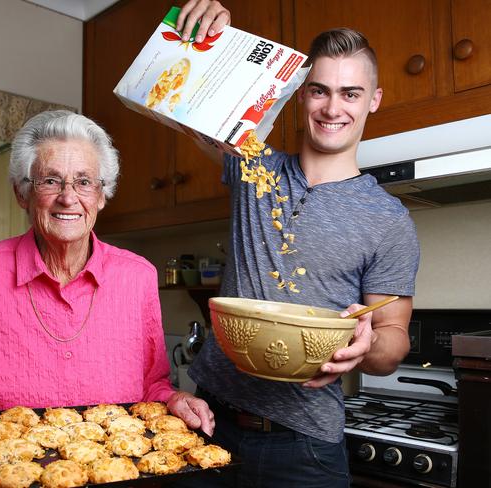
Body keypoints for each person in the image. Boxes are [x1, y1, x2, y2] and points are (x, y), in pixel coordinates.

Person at [174, 1, 421, 487]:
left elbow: (394, 339)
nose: (333, 108)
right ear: (300, 95)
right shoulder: (252, 166)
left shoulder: (389, 220)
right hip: (206, 424)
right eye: (319, 91)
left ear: (373, 99)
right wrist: (212, 38)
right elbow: (188, 105)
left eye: (351, 93)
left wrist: (367, 346)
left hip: (303, 447)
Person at [0, 110, 215, 488]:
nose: (69, 198)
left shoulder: (138, 277)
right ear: (22, 192)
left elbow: (152, 387)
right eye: (51, 180)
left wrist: (174, 400)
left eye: (84, 182)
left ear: (102, 195)